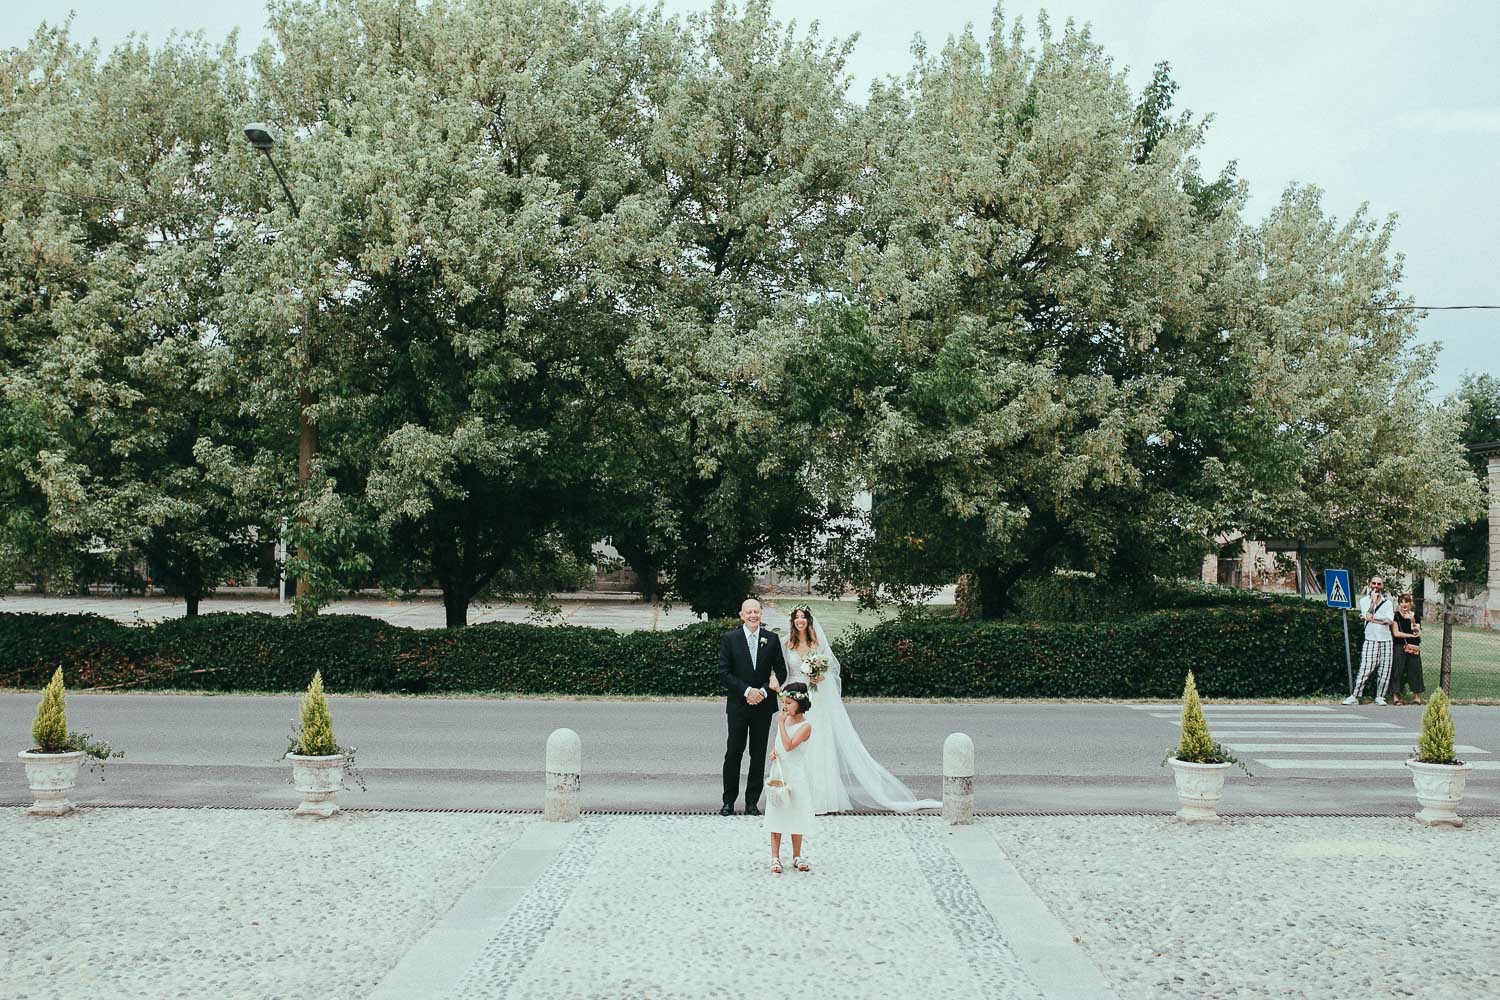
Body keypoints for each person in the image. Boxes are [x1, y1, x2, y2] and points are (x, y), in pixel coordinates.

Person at [781, 604, 940, 813]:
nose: (800, 620)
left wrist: (818, 676)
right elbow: (779, 670)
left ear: (809, 620)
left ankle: (820, 798)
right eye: (797, 617)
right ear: (792, 621)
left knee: (817, 747)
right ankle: (794, 796)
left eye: (803, 617)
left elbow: (828, 673)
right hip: (794, 697)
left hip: (815, 700)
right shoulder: (786, 644)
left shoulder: (817, 644)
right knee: (794, 747)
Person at [718, 597, 787, 817]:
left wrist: (763, 692)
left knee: (757, 755)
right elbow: (724, 673)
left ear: (761, 613)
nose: (753, 615)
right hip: (738, 705)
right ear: (741, 615)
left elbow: (781, 672)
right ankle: (729, 801)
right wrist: (748, 691)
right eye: (749, 612)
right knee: (734, 752)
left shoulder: (772, 639)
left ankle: (752, 803)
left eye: (756, 611)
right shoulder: (730, 638)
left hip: (763, 707)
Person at [764, 682, 815, 873]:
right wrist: (773, 752)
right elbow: (779, 745)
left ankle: (796, 855)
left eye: (789, 703)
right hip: (780, 772)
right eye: (784, 702)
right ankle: (775, 856)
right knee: (777, 811)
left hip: (795, 774)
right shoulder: (785, 720)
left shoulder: (805, 726)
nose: (785, 707)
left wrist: (780, 724)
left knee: (796, 812)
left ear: (800, 703)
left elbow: (789, 745)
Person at [1344, 576, 1395, 706]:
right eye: (1374, 583)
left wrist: (1372, 619)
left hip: (1386, 639)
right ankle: (1355, 695)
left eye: (1379, 584)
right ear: (1369, 584)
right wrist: (1373, 603)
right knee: (1365, 668)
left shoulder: (1388, 603)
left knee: (1385, 669)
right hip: (1371, 639)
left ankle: (1380, 696)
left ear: (1382, 586)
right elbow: (1368, 615)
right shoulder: (1364, 601)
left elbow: (1388, 621)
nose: (1376, 586)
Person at [1388, 592, 1425, 706]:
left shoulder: (1415, 615)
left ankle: (1416, 696)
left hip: (1413, 647)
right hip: (1400, 646)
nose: (1404, 604)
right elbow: (1396, 633)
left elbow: (1417, 632)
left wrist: (1411, 620)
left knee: (1415, 670)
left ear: (1411, 603)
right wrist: (1409, 636)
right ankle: (1396, 696)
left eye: (1406, 601)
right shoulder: (1396, 616)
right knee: (1397, 670)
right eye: (1401, 602)